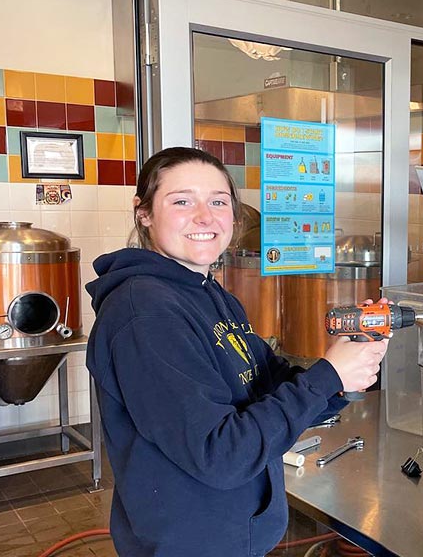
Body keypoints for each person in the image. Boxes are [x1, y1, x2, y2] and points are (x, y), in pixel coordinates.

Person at [86, 147, 387, 556]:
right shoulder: (146, 314)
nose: (204, 217)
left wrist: (342, 376)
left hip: (233, 538)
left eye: (218, 202)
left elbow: (271, 384)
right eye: (181, 201)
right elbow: (220, 452)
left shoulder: (211, 294)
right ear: (144, 213)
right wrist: (329, 375)